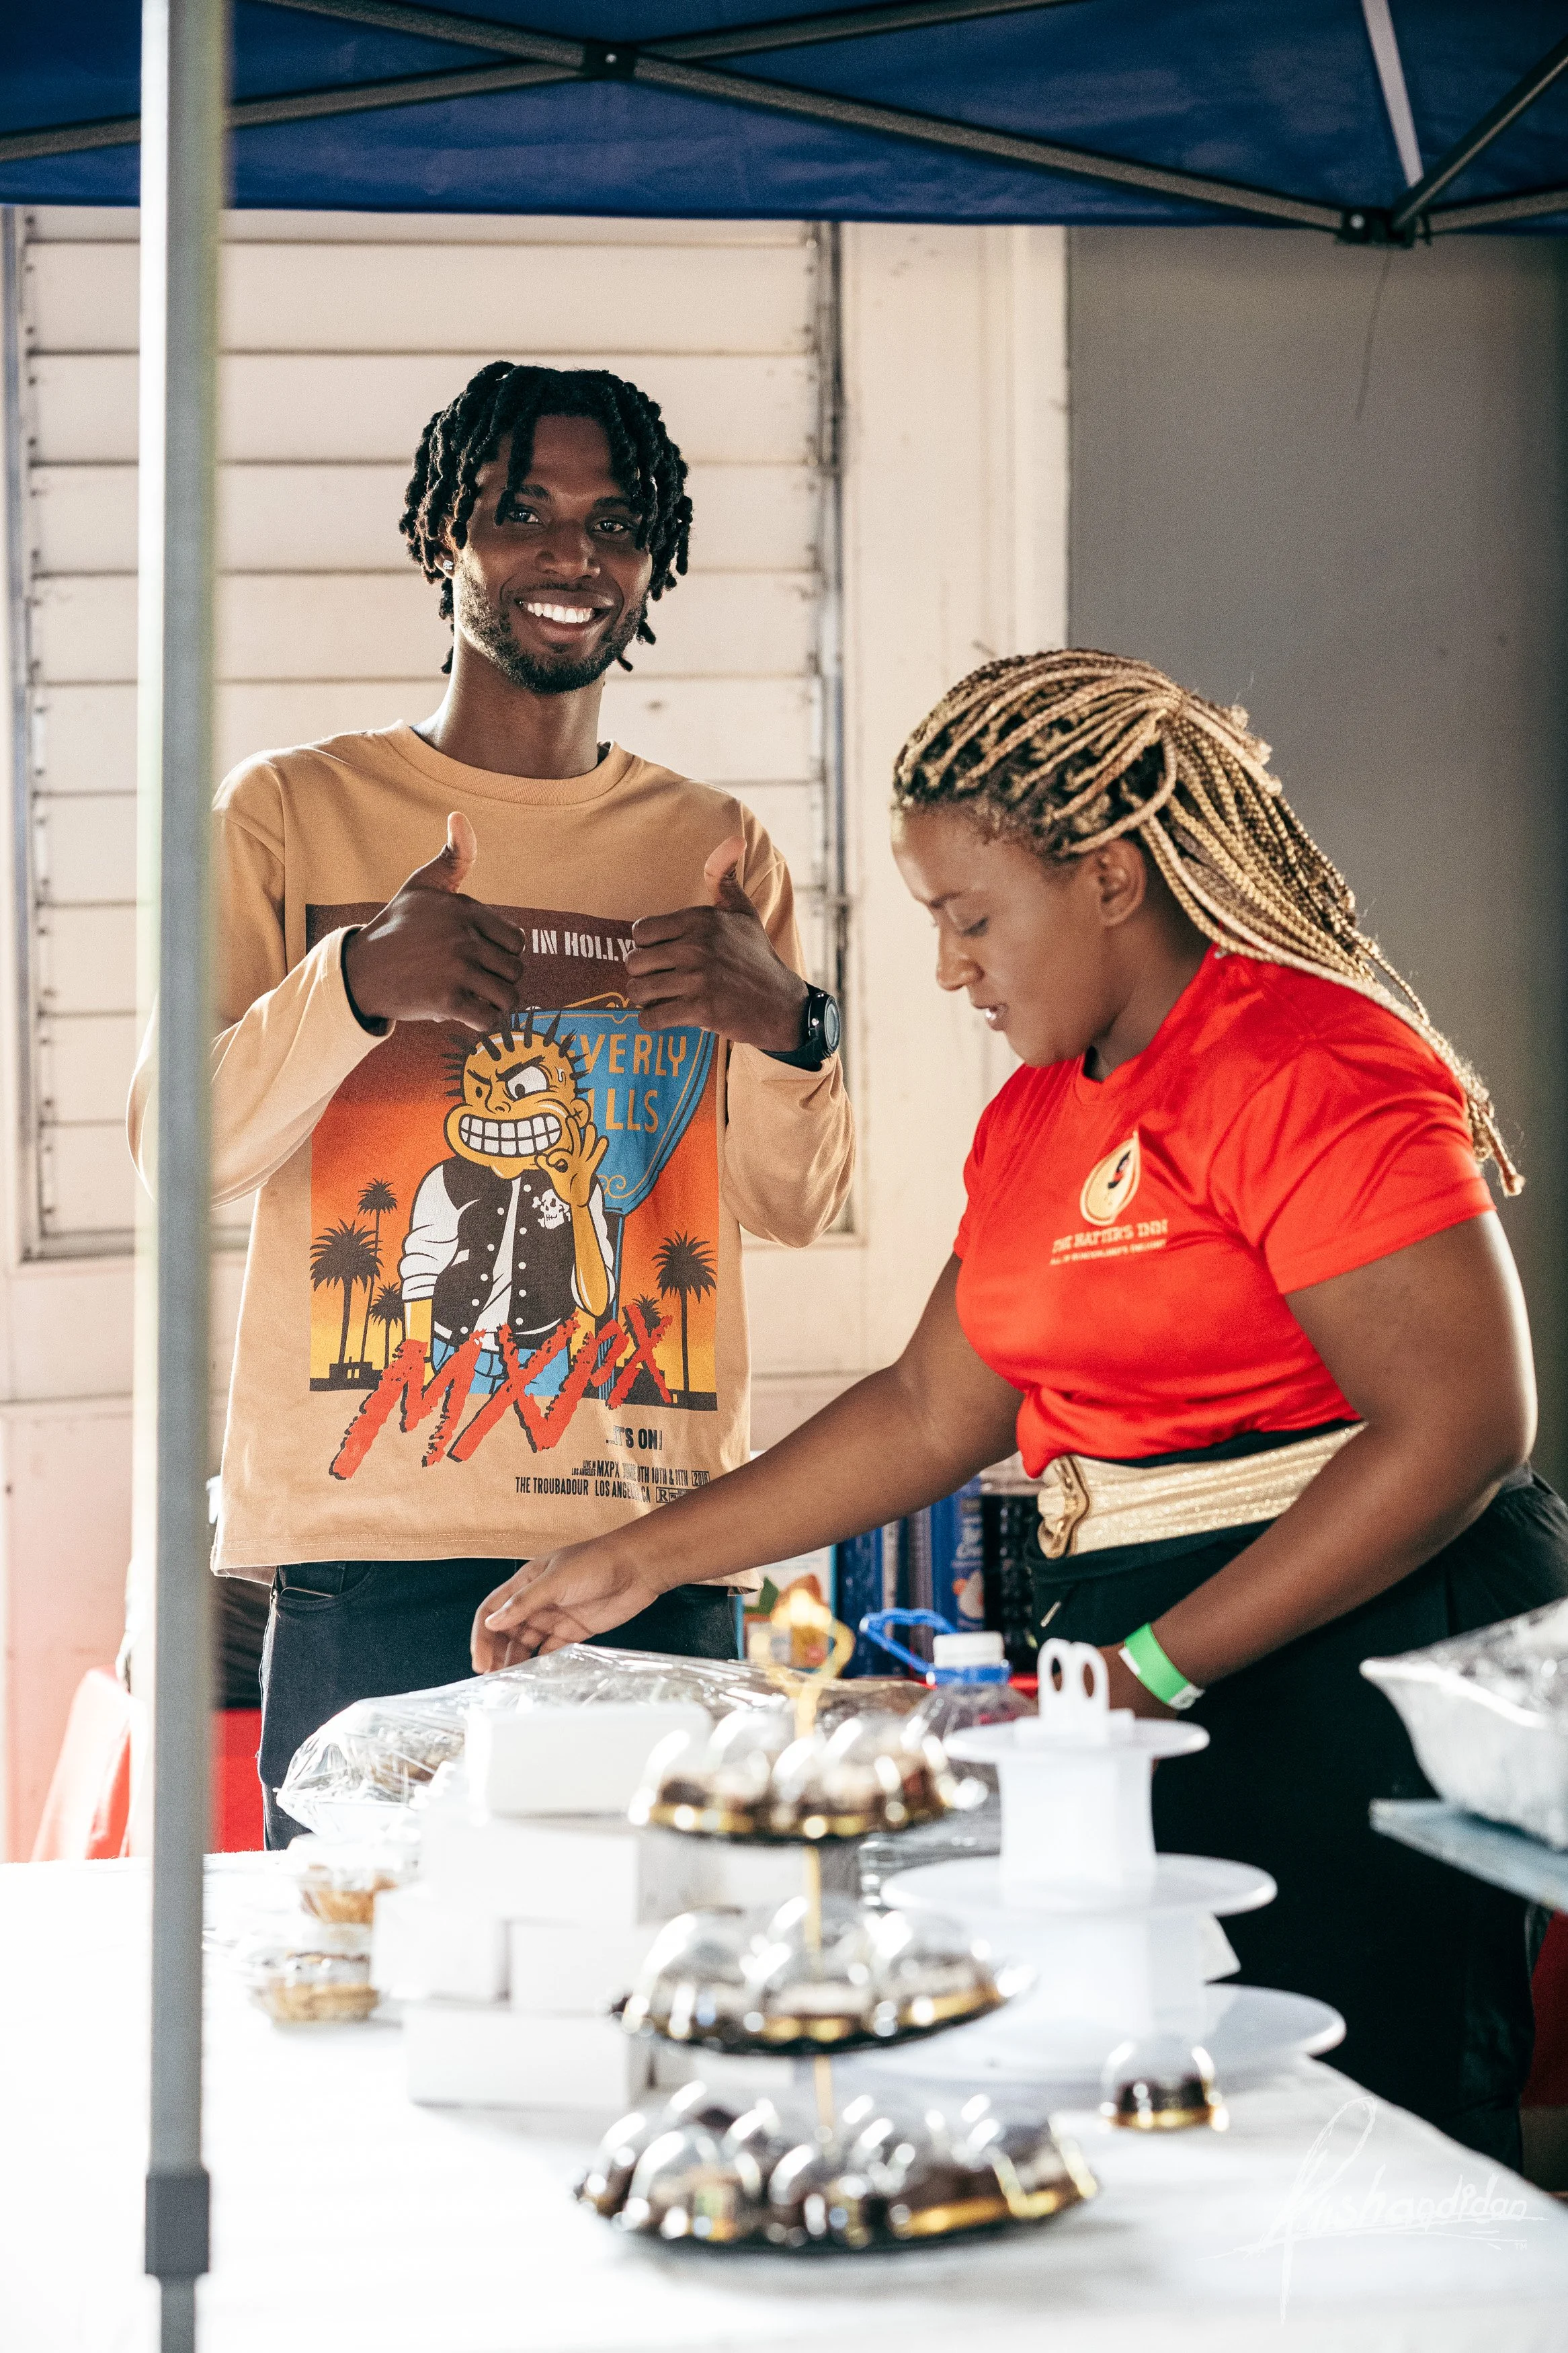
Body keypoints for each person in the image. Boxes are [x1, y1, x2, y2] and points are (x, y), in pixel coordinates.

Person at [479, 647, 1568, 2165]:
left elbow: (1458, 1432)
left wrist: (1147, 1675)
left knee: (1352, 2144)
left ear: (1110, 878)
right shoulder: (1039, 1109)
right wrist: (649, 1554)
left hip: (1346, 1659)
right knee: (1165, 2135)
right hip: (1136, 1660)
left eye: (970, 917)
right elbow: (934, 1407)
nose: (946, 969)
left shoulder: (1306, 1059)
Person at [128, 362, 853, 1847]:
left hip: (653, 1543)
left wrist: (785, 1023)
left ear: (654, 566)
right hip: (367, 1550)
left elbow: (793, 1204)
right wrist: (356, 984)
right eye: (520, 510)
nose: (568, 555)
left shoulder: (714, 847)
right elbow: (172, 1149)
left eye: (612, 521)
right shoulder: (289, 811)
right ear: (440, 538)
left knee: (660, 1996)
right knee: (364, 1998)